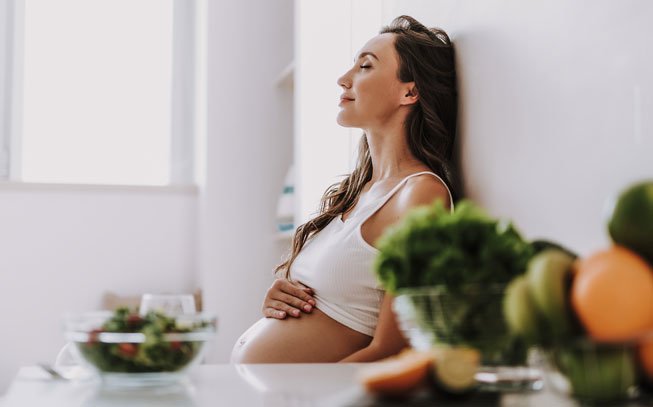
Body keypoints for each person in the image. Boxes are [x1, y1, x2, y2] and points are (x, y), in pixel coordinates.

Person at [231, 15, 458, 363]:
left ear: (409, 91)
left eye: (365, 66)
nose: (343, 79)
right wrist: (278, 301)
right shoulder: (358, 193)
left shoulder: (420, 196)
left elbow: (394, 351)